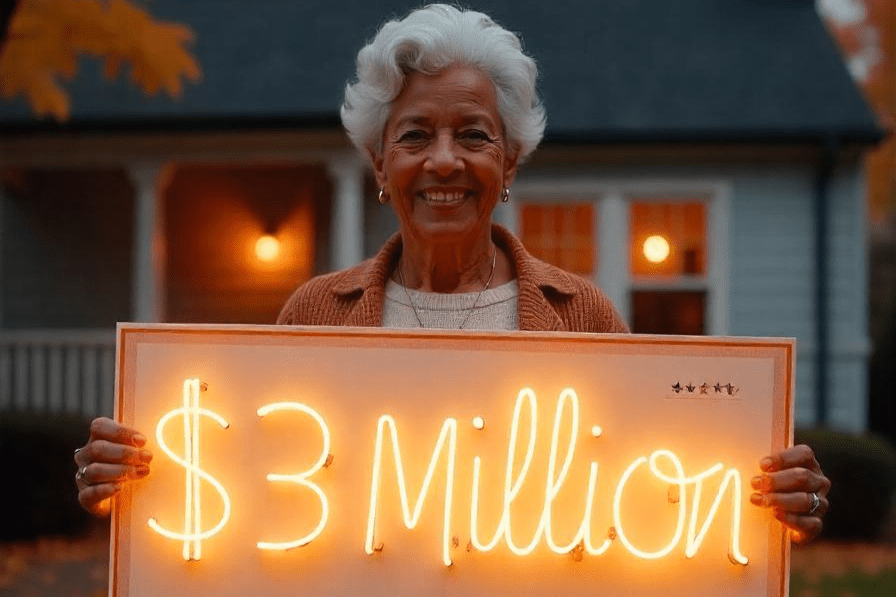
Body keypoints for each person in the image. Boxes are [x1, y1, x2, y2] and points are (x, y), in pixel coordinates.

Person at [75, 4, 830, 543]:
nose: (444, 160)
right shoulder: (315, 310)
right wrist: (134, 484)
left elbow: (660, 498)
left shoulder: (584, 314)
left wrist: (767, 501)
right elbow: (247, 493)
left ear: (508, 164)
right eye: (414, 136)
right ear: (381, 164)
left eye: (473, 134)